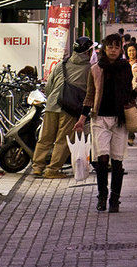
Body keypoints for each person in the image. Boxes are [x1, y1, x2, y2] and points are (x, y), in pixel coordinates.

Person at [74, 34, 135, 213]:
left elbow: (129, 94)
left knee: (117, 161)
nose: (113, 51)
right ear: (104, 49)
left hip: (119, 119)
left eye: (117, 48)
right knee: (102, 159)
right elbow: (90, 95)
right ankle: (102, 195)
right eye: (110, 47)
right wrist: (82, 118)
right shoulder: (95, 69)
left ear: (121, 50)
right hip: (99, 118)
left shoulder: (126, 68)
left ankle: (115, 199)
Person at [31, 36, 92, 178]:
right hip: (69, 108)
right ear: (88, 52)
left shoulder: (62, 64)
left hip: (52, 105)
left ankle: (37, 167)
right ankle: (52, 170)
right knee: (62, 140)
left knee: (45, 137)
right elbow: (90, 91)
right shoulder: (89, 69)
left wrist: (54, 97)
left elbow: (49, 85)